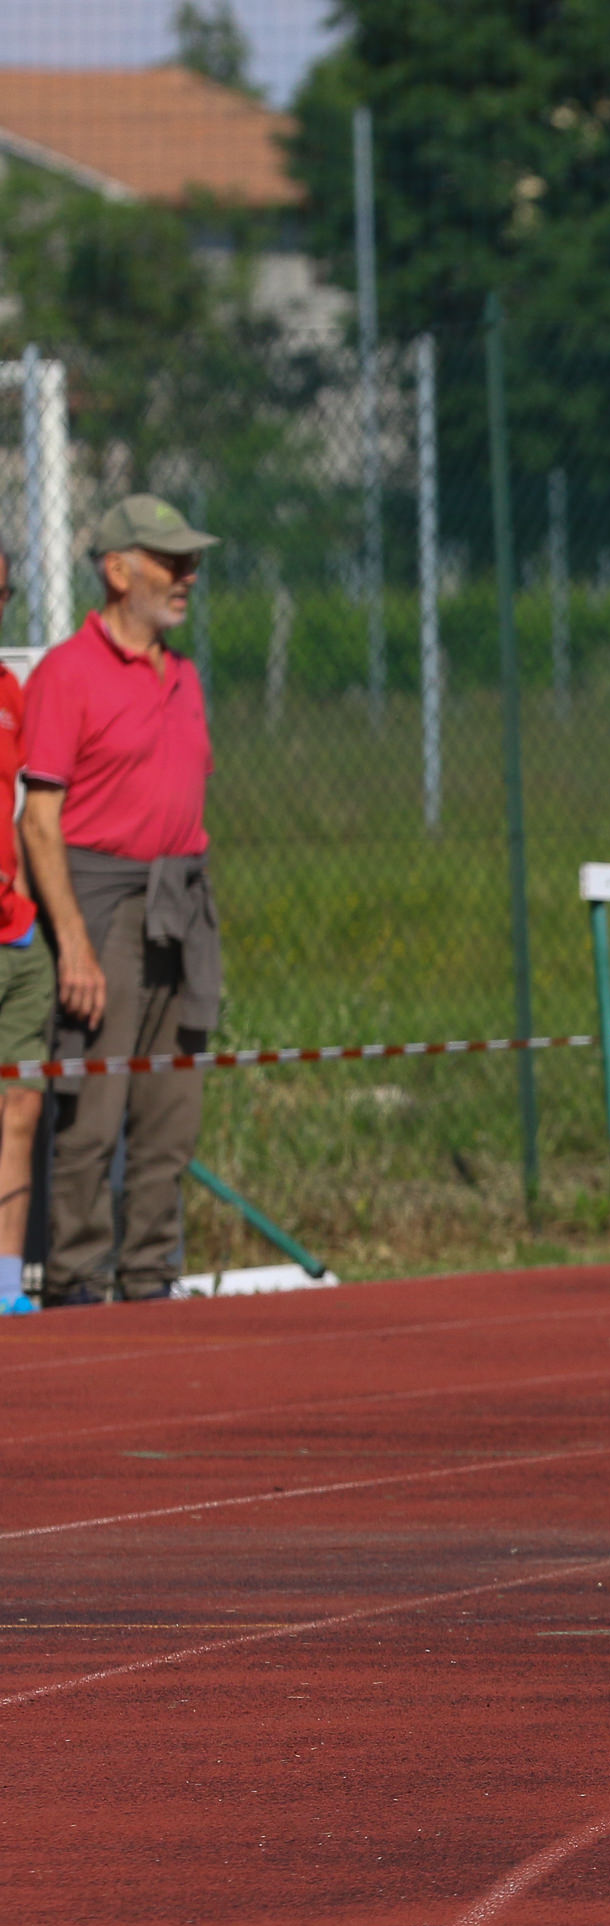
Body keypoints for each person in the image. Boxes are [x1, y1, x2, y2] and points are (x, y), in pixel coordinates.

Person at [21, 496, 222, 1307]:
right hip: (103, 904)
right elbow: (39, 822)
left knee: (171, 1113)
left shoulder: (185, 675)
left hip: (182, 900)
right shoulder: (68, 673)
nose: (188, 576)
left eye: (191, 562)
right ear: (117, 570)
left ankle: (151, 1279)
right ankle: (77, 1283)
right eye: (171, 561)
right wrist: (73, 939)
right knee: (92, 1112)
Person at [0, 546, 41, 1314]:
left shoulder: (11, 690)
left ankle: (7, 1282)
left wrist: (31, 898)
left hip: (19, 933)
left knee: (22, 1104)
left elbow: (32, 806)